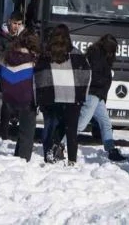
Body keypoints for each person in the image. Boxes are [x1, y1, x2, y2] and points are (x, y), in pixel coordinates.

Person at [34, 24, 91, 165]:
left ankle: (49, 151)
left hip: (51, 97)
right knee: (71, 131)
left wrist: (39, 98)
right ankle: (72, 160)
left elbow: (38, 76)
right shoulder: (77, 54)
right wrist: (82, 95)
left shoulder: (46, 55)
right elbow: (86, 75)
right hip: (73, 98)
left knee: (52, 126)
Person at [77, 34, 127, 162]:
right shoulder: (97, 56)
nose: (114, 53)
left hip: (98, 95)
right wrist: (104, 81)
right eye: (114, 49)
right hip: (92, 94)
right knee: (80, 124)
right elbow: (93, 76)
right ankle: (60, 143)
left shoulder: (100, 55)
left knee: (106, 123)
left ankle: (111, 150)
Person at [0, 30, 38, 161]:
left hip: (8, 97)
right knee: (27, 131)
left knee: (23, 131)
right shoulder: (33, 61)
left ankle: (17, 156)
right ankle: (24, 159)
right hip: (26, 99)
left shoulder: (5, 56)